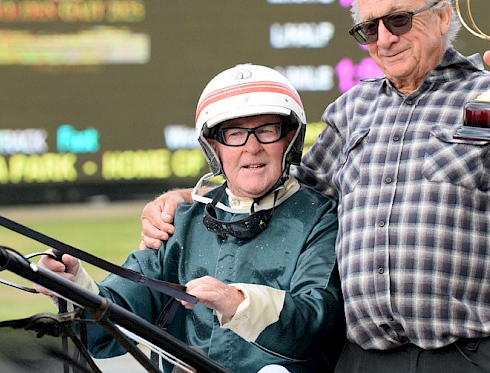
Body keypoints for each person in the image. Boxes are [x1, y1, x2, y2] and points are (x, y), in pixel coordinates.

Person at [140, 0, 490, 373]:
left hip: (470, 355)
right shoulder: (351, 110)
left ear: (441, 16)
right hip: (363, 357)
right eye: (368, 28)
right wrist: (191, 197)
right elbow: (290, 193)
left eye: (398, 20)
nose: (384, 38)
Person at [37, 64, 345, 373]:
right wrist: (73, 285)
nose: (252, 148)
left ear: (289, 139)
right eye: (235, 134)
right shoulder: (179, 224)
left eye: (266, 131)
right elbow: (110, 330)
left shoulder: (319, 218)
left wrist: (237, 302)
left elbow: (317, 322)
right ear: (214, 147)